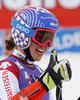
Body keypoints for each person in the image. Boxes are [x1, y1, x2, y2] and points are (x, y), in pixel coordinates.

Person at [0, 6, 72, 100]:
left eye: (50, 38)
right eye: (41, 38)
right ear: (23, 35)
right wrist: (43, 85)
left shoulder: (39, 72)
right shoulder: (7, 68)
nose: (46, 45)